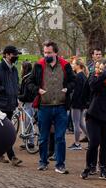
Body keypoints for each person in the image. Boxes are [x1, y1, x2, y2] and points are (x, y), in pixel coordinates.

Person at [27, 41, 76, 174]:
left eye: (49, 52)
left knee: (60, 137)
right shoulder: (38, 65)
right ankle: (43, 162)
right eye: (45, 52)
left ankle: (60, 164)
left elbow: (73, 81)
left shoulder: (65, 66)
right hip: (44, 106)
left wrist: (68, 88)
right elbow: (29, 82)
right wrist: (38, 90)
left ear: (55, 53)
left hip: (61, 107)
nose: (46, 55)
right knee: (43, 137)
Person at [0, 45, 22, 166]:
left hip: (11, 104)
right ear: (7, 55)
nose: (16, 57)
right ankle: (12, 157)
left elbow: (16, 84)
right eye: (14, 55)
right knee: (6, 132)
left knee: (1, 132)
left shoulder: (14, 69)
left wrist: (16, 97)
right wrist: (3, 89)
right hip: (0, 105)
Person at [68, 58, 89, 151]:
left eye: (73, 64)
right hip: (82, 103)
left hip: (77, 103)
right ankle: (91, 140)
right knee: (81, 123)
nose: (72, 65)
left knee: (76, 123)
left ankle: (77, 144)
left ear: (78, 65)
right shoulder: (83, 76)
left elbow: (76, 92)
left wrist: (72, 103)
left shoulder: (78, 76)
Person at [18, 61, 36, 149]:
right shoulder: (29, 77)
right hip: (30, 102)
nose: (20, 69)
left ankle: (30, 141)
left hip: (29, 102)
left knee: (28, 122)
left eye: (22, 67)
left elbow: (26, 95)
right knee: (28, 122)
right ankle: (29, 141)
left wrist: (18, 97)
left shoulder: (27, 79)